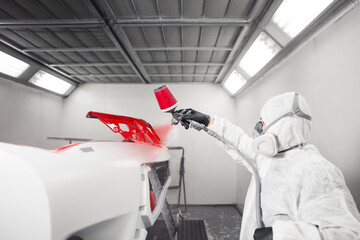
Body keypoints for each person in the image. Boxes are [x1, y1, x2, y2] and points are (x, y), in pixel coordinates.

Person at [173, 92, 360, 240]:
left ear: (282, 125)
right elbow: (239, 142)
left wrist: (280, 235)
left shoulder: (317, 171)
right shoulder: (269, 159)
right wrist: (207, 121)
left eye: (262, 123)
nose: (259, 129)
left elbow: (348, 234)